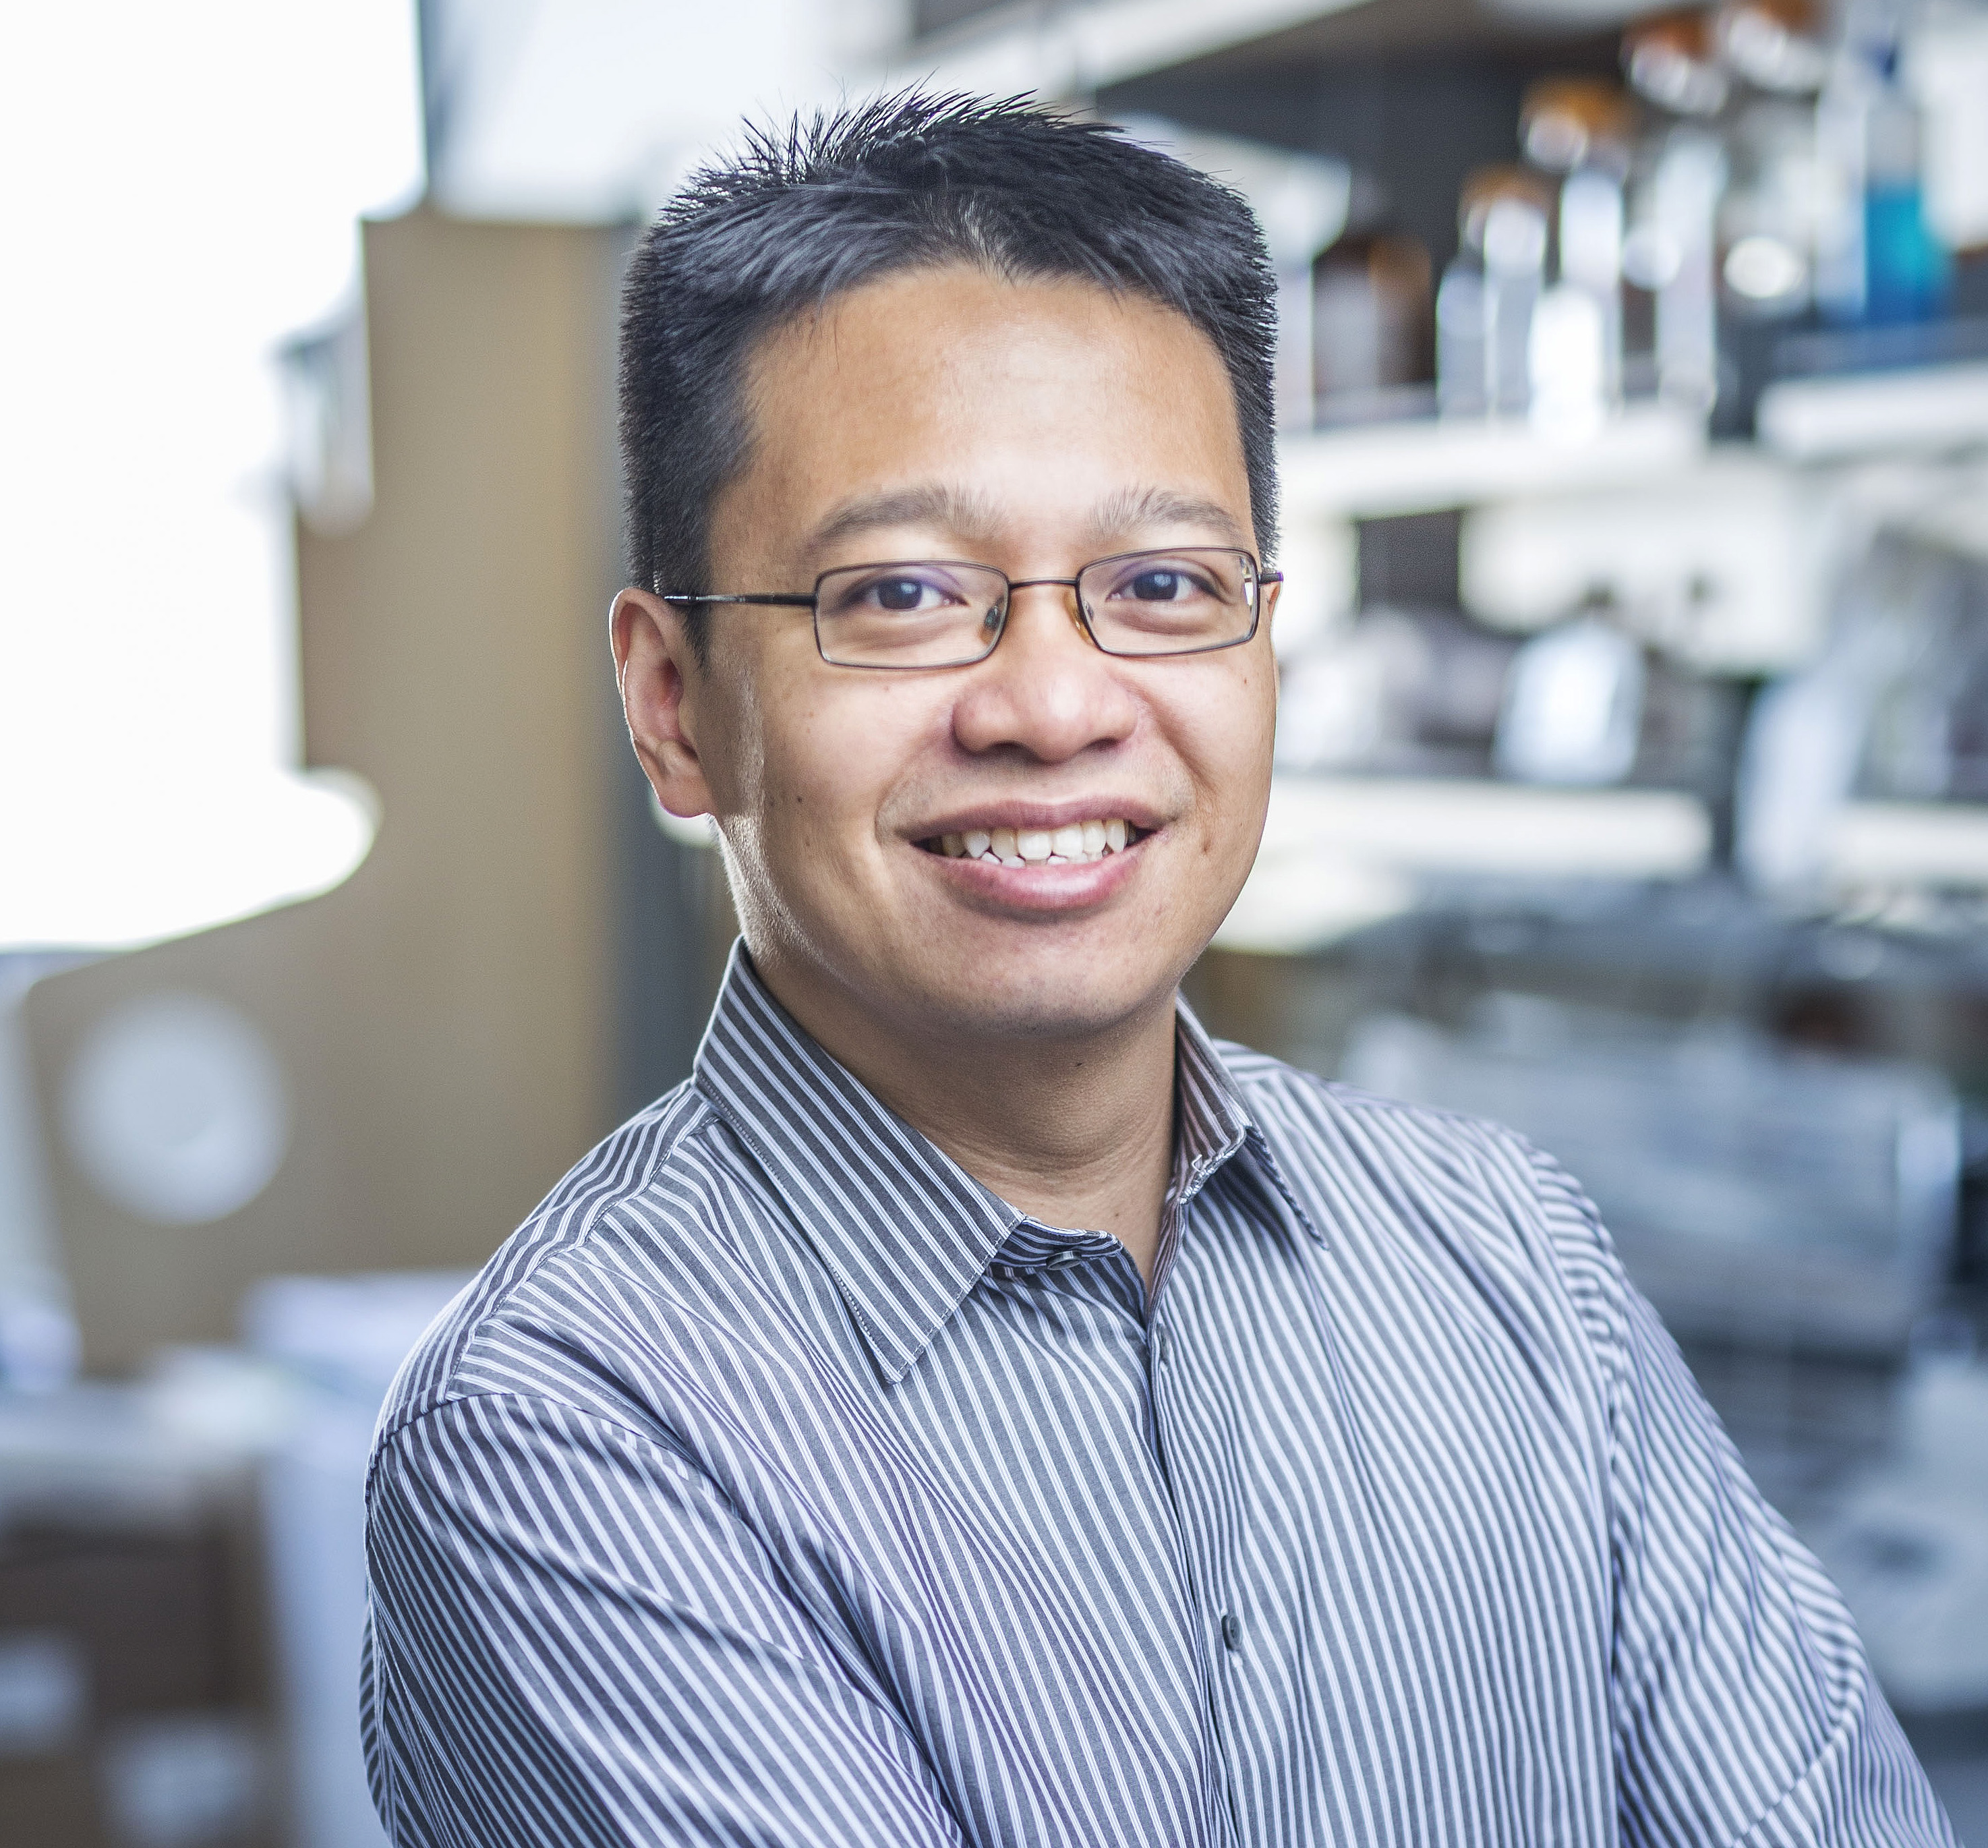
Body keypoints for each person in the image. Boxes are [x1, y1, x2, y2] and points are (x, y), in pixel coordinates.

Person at [361, 94, 1954, 1847]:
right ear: (673, 705)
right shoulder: (567, 1429)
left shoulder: (1507, 1252)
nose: (1051, 706)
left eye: (1160, 581)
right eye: (895, 594)